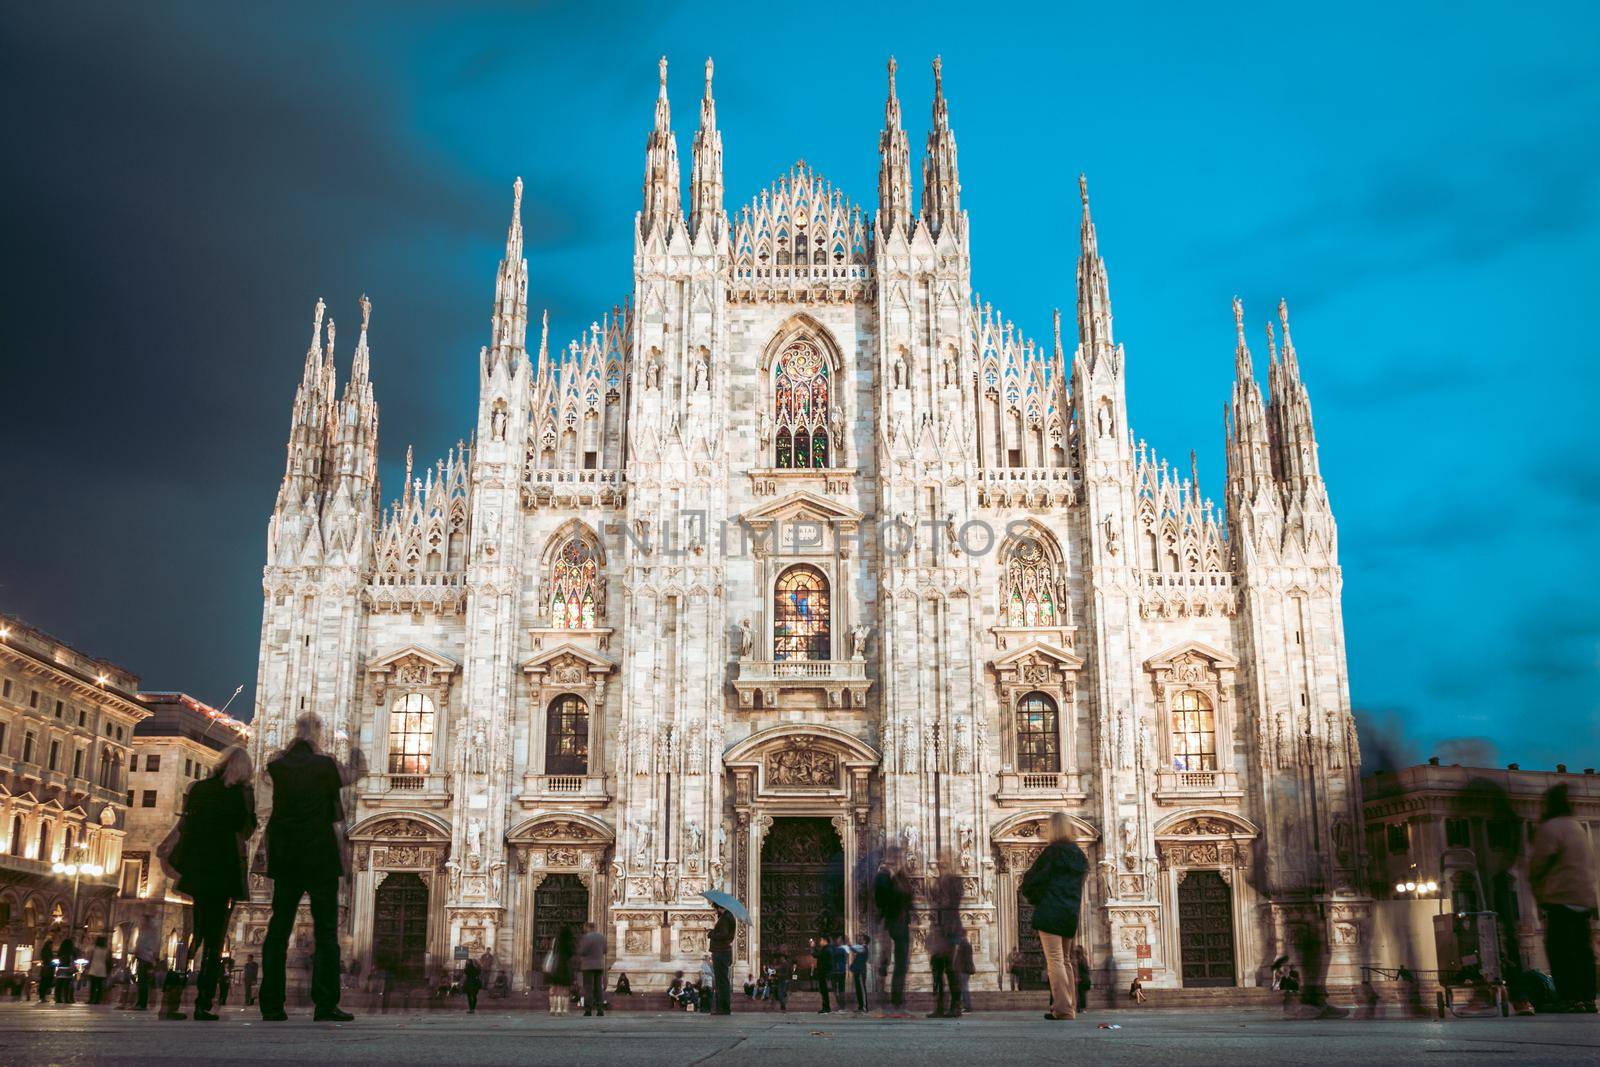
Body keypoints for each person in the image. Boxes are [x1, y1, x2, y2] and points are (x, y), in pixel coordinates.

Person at [259, 714, 363, 1022]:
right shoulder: (324, 766)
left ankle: (271, 1005)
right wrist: (352, 752)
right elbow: (352, 776)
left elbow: (264, 801)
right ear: (317, 734)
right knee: (327, 933)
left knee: (278, 930)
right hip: (319, 856)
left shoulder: (278, 766)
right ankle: (325, 1003)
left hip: (286, 855)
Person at [160, 743, 258, 1022]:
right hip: (224, 870)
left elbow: (185, 825)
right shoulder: (241, 794)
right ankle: (203, 1003)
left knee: (189, 937)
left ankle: (171, 1001)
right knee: (215, 941)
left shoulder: (198, 789)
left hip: (196, 870)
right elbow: (247, 830)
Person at [1528, 783, 1599, 1013]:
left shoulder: (1551, 828)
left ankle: (1569, 998)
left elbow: (1539, 863)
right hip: (1583, 897)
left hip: (1560, 897)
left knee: (1560, 951)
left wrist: (1535, 884)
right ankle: (1587, 998)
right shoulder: (1576, 826)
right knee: (1583, 951)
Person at [1019, 812, 1088, 1021]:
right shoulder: (1079, 856)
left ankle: (1062, 1009)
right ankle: (1071, 1006)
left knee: (1055, 961)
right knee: (1066, 960)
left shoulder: (1052, 853)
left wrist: (1036, 898)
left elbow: (1033, 880)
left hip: (1050, 912)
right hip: (1070, 913)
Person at [873, 847, 914, 1012]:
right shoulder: (885, 876)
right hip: (891, 923)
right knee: (887, 961)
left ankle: (897, 998)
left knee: (901, 962)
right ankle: (887, 996)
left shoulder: (899, 877)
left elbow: (908, 899)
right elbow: (882, 899)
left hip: (901, 922)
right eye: (898, 857)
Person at [925, 856, 964, 1019]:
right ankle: (939, 1006)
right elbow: (934, 902)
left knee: (951, 970)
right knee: (937, 970)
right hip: (939, 931)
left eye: (943, 863)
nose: (940, 865)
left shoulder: (955, 882)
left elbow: (952, 902)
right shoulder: (939, 883)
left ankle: (955, 1006)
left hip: (950, 932)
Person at [709, 904, 736, 1015]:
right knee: (723, 981)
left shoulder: (725, 918)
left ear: (720, 908)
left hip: (721, 952)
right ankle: (723, 1008)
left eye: (715, 909)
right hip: (723, 951)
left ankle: (723, 1008)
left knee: (721, 982)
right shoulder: (728, 917)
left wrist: (712, 933)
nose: (715, 911)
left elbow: (723, 934)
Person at [577, 922, 606, 1017]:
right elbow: (605, 950)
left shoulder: (586, 938)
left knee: (588, 988)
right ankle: (600, 1009)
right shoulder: (601, 937)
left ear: (588, 928)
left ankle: (588, 1010)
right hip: (599, 965)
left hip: (588, 966)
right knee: (598, 987)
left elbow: (582, 951)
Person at [546, 925, 575, 1015]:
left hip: (555, 965)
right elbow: (572, 953)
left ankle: (553, 1008)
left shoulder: (555, 940)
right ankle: (563, 1009)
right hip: (565, 965)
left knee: (554, 988)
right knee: (564, 988)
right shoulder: (569, 941)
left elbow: (551, 952)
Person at [132, 917, 160, 1010]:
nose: (141, 923)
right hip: (143, 958)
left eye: (143, 921)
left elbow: (145, 946)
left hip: (145, 959)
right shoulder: (147, 932)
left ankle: (142, 1004)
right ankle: (140, 1002)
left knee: (143, 982)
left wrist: (137, 952)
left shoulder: (149, 933)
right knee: (141, 982)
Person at [954, 928, 976, 1013]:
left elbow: (964, 958)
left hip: (963, 969)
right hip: (965, 968)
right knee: (963, 987)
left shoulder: (964, 944)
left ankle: (967, 1006)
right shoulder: (966, 944)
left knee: (964, 988)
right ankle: (965, 1006)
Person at [810, 936, 833, 1014]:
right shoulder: (826, 949)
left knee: (824, 991)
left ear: (825, 941)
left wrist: (812, 948)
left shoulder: (827, 949)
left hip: (824, 972)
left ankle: (826, 1007)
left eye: (821, 940)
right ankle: (826, 1007)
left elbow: (816, 955)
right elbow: (819, 954)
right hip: (823, 972)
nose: (820, 942)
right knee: (823, 991)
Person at [850, 934, 871, 1013]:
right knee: (858, 989)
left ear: (864, 941)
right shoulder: (861, 948)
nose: (859, 940)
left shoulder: (864, 947)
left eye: (860, 939)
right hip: (857, 971)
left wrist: (849, 944)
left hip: (861, 972)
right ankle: (860, 1007)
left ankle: (864, 1007)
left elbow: (854, 949)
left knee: (862, 989)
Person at [86, 936, 111, 1004]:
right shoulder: (106, 950)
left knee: (93, 985)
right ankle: (97, 1000)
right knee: (99, 986)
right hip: (102, 969)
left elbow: (90, 958)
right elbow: (108, 960)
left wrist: (87, 967)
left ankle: (91, 999)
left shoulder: (93, 948)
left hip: (94, 968)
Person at [55, 936, 77, 1003]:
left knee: (59, 984)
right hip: (68, 969)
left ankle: (58, 998)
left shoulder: (61, 950)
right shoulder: (72, 950)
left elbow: (58, 957)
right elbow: (74, 958)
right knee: (67, 985)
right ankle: (67, 999)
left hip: (61, 968)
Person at [1073, 943, 1091, 1012]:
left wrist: (1079, 977)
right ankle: (1080, 1007)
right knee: (1080, 994)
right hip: (1082, 979)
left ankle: (1082, 1008)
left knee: (1081, 994)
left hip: (1082, 979)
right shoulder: (1083, 959)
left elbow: (1085, 970)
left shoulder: (1080, 960)